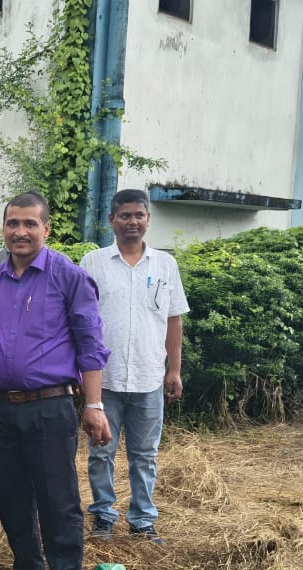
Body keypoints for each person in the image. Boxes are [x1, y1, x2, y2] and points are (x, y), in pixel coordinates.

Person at [0, 191, 111, 570]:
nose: (20, 232)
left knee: (57, 502)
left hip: (49, 408)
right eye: (13, 223)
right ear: (3, 228)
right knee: (10, 498)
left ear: (46, 229)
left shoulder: (69, 278)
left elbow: (90, 344)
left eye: (30, 224)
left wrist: (93, 404)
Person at [80, 188, 189, 544]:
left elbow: (173, 321)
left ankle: (142, 519)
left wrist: (174, 371)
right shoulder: (92, 263)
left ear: (147, 219)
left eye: (139, 215)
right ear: (111, 220)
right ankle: (103, 516)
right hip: (105, 380)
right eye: (125, 215)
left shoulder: (164, 265)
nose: (133, 221)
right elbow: (80, 322)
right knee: (101, 452)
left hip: (148, 378)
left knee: (145, 455)